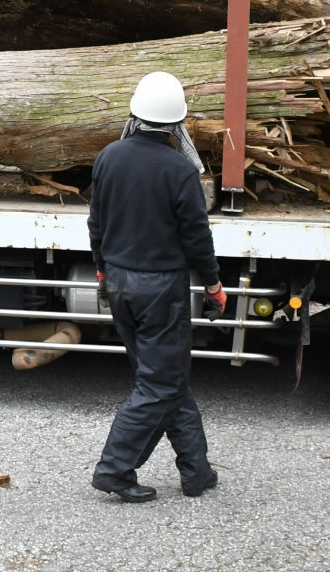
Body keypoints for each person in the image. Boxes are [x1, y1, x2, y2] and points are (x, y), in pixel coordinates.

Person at [86, 71, 225, 503]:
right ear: (176, 123)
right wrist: (213, 284)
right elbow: (196, 238)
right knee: (159, 384)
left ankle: (196, 472)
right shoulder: (180, 170)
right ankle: (114, 470)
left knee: (165, 378)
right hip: (160, 288)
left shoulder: (109, 156)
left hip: (120, 281)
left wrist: (103, 271)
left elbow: (96, 222)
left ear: (136, 113)